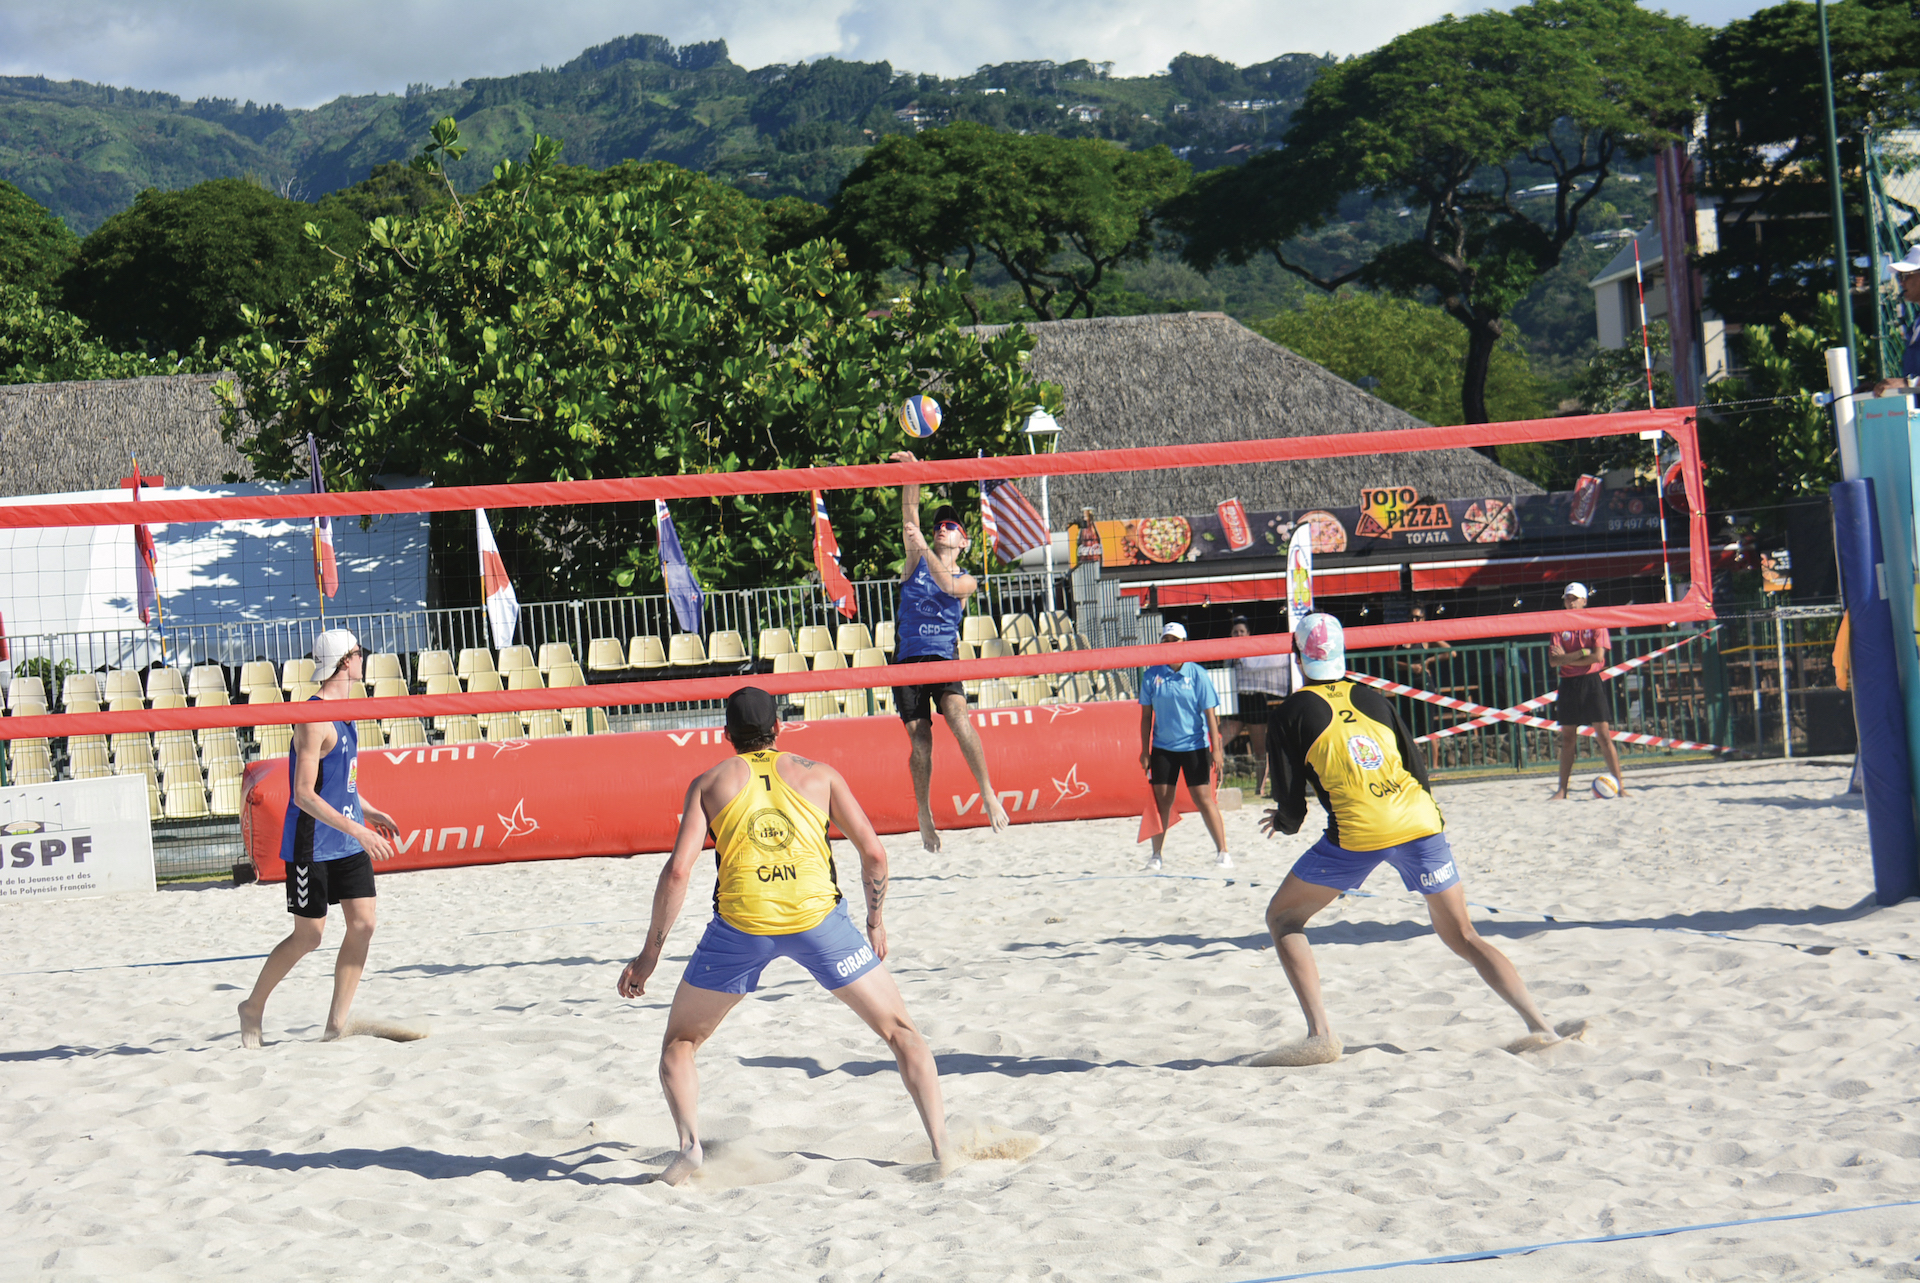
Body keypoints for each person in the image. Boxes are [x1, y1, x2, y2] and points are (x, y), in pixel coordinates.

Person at [617, 687, 949, 1183]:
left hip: (742, 926)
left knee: (679, 1044)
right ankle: (943, 1151)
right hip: (819, 921)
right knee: (902, 1033)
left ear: (725, 734)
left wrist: (648, 958)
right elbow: (875, 854)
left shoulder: (708, 782)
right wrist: (875, 922)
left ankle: (689, 1147)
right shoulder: (820, 774)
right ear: (780, 728)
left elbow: (678, 873)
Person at [1258, 613, 1565, 1064]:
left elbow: (1292, 805)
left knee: (1283, 920)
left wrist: (1282, 823)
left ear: (1295, 652)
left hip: (1358, 831)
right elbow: (1418, 768)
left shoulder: (1289, 712)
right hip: (1420, 820)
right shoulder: (1372, 696)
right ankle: (1542, 1027)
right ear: (1344, 649)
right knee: (1463, 934)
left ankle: (1320, 1034)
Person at [238, 629, 400, 1048]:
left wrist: (369, 810)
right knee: (309, 935)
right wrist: (359, 829)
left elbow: (338, 785)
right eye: (360, 653)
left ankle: (335, 1025)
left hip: (347, 839)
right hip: (313, 843)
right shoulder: (314, 718)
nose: (365, 658)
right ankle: (253, 1006)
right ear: (346, 661)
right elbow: (303, 794)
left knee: (363, 924)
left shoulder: (346, 712)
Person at [886, 450, 1009, 851]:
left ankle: (988, 792)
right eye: (939, 525)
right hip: (907, 662)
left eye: (950, 526)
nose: (941, 528)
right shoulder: (913, 561)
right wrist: (914, 471)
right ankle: (923, 812)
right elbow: (910, 515)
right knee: (921, 743)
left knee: (958, 717)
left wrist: (922, 545)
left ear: (963, 541)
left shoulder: (966, 579)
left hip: (942, 659)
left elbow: (949, 588)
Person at [1139, 621, 1233, 871]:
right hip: (1163, 748)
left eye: (1174, 640)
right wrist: (1144, 751)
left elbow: (1210, 714)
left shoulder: (1197, 674)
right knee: (1162, 802)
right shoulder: (1152, 675)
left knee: (1204, 799)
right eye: (1165, 640)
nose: (1169, 644)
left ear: (1184, 644)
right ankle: (1156, 855)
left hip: (1194, 745)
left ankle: (1223, 851)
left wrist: (1217, 748)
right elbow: (1147, 716)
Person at [1548, 582, 1627, 800]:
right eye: (1567, 598)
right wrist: (1582, 652)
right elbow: (1554, 661)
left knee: (1603, 736)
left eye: (1574, 598)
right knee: (1567, 740)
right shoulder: (1559, 624)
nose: (1570, 602)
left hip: (1591, 681)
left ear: (1584, 601)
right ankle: (1562, 790)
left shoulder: (1596, 622)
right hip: (1568, 683)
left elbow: (1598, 657)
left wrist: (1568, 657)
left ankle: (1621, 787)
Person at [1219, 616, 1289, 795]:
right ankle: (1215, 783)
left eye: (1242, 632)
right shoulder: (1228, 654)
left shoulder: (1257, 652)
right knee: (1217, 742)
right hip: (1235, 701)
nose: (1238, 634)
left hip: (1255, 700)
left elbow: (1276, 661)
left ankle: (1260, 788)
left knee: (1259, 749)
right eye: (1235, 632)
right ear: (1231, 635)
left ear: (1248, 634)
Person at [1872, 246, 1920, 397]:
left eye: (1906, 275)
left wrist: (1909, 384)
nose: (1900, 282)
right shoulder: (1916, 325)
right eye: (1899, 276)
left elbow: (1911, 382)